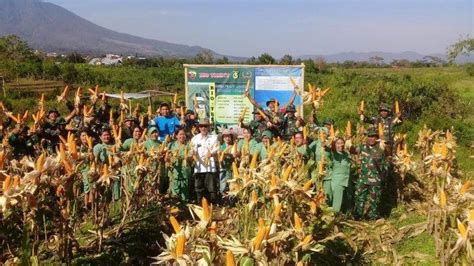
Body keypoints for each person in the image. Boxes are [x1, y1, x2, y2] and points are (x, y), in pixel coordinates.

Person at [350, 128, 389, 220]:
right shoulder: (363, 147)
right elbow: (352, 150)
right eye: (369, 136)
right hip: (363, 179)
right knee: (360, 197)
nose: (371, 138)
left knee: (375, 200)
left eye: (373, 136)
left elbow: (388, 154)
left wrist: (384, 144)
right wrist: (348, 141)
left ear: (377, 138)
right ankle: (357, 216)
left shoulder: (381, 147)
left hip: (376, 179)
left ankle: (372, 216)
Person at [190, 118, 219, 203]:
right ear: (199, 127)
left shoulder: (214, 138)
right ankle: (200, 206)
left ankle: (212, 207)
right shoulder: (195, 139)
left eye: (205, 126)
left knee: (211, 189)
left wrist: (211, 153)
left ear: (208, 127)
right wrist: (193, 153)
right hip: (199, 168)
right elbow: (192, 150)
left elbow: (216, 149)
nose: (203, 128)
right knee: (199, 189)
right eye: (201, 126)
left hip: (210, 168)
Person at [324, 137, 352, 213]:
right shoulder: (332, 154)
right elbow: (325, 149)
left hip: (347, 181)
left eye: (342, 143)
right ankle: (334, 218)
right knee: (337, 202)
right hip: (338, 181)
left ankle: (342, 216)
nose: (341, 145)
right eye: (338, 143)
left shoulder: (346, 154)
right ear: (334, 145)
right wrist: (327, 142)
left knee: (345, 202)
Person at [168, 128, 192, 201]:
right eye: (180, 134)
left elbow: (191, 155)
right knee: (175, 193)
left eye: (184, 134)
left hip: (185, 172)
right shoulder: (171, 145)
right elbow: (167, 156)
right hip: (174, 172)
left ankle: (184, 207)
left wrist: (188, 157)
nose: (182, 136)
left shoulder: (189, 145)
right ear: (176, 136)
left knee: (185, 192)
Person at [218, 129, 235, 194]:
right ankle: (224, 200)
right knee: (223, 187)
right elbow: (219, 157)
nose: (227, 138)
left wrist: (226, 154)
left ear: (231, 137)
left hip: (231, 169)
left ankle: (230, 201)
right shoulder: (221, 147)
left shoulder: (233, 146)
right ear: (223, 138)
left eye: (229, 136)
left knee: (232, 186)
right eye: (225, 136)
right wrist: (222, 154)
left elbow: (234, 155)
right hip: (223, 169)